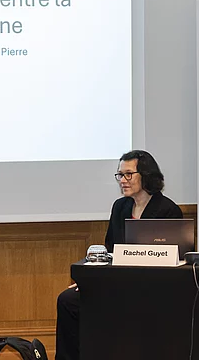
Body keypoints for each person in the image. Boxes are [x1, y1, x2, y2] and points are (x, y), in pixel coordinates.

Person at [55, 150, 182, 360]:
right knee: (68, 300)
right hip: (117, 283)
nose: (122, 180)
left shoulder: (168, 210)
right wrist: (89, 279)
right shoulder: (120, 207)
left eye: (128, 174)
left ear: (146, 175)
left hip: (150, 288)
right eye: (120, 175)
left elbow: (174, 261)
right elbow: (110, 250)